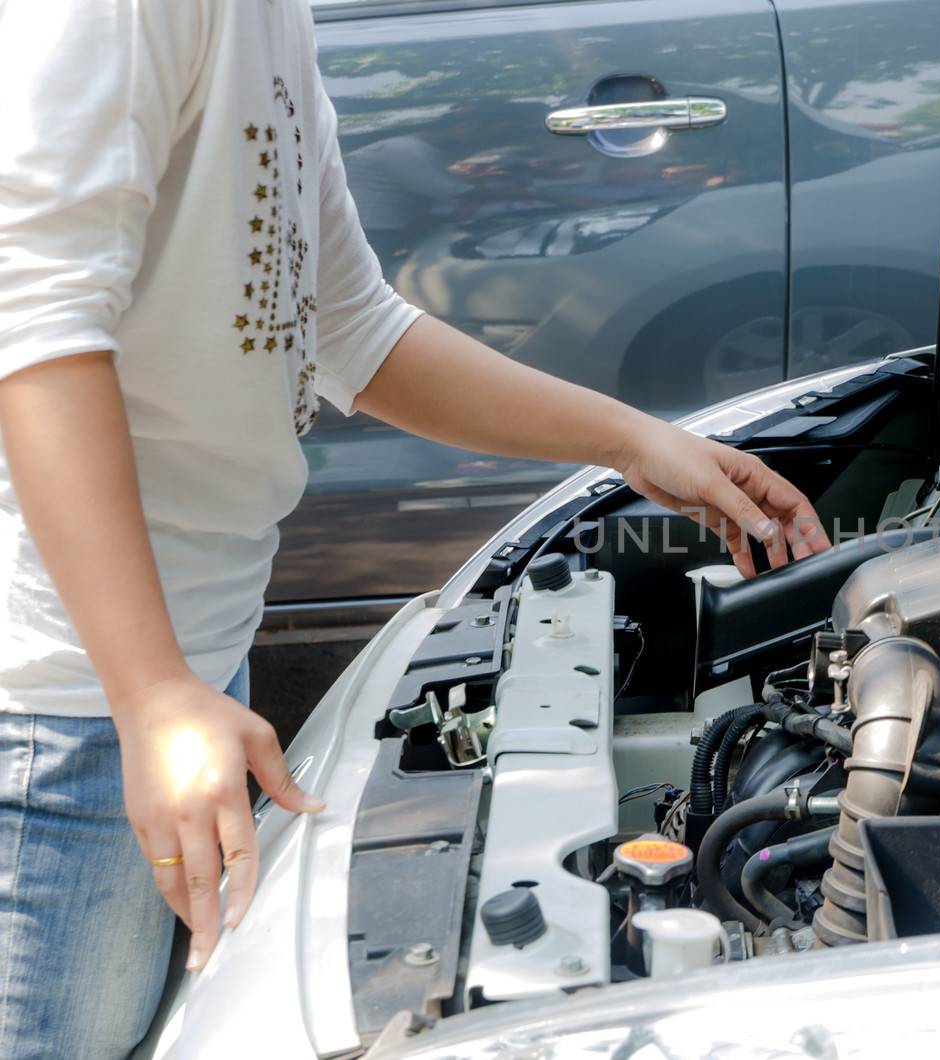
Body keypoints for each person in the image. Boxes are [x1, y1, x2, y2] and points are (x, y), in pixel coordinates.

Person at [0, 2, 829, 1055]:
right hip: (63, 713)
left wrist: (632, 442)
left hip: (181, 669)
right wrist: (150, 694)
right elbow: (32, 325)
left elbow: (352, 327)